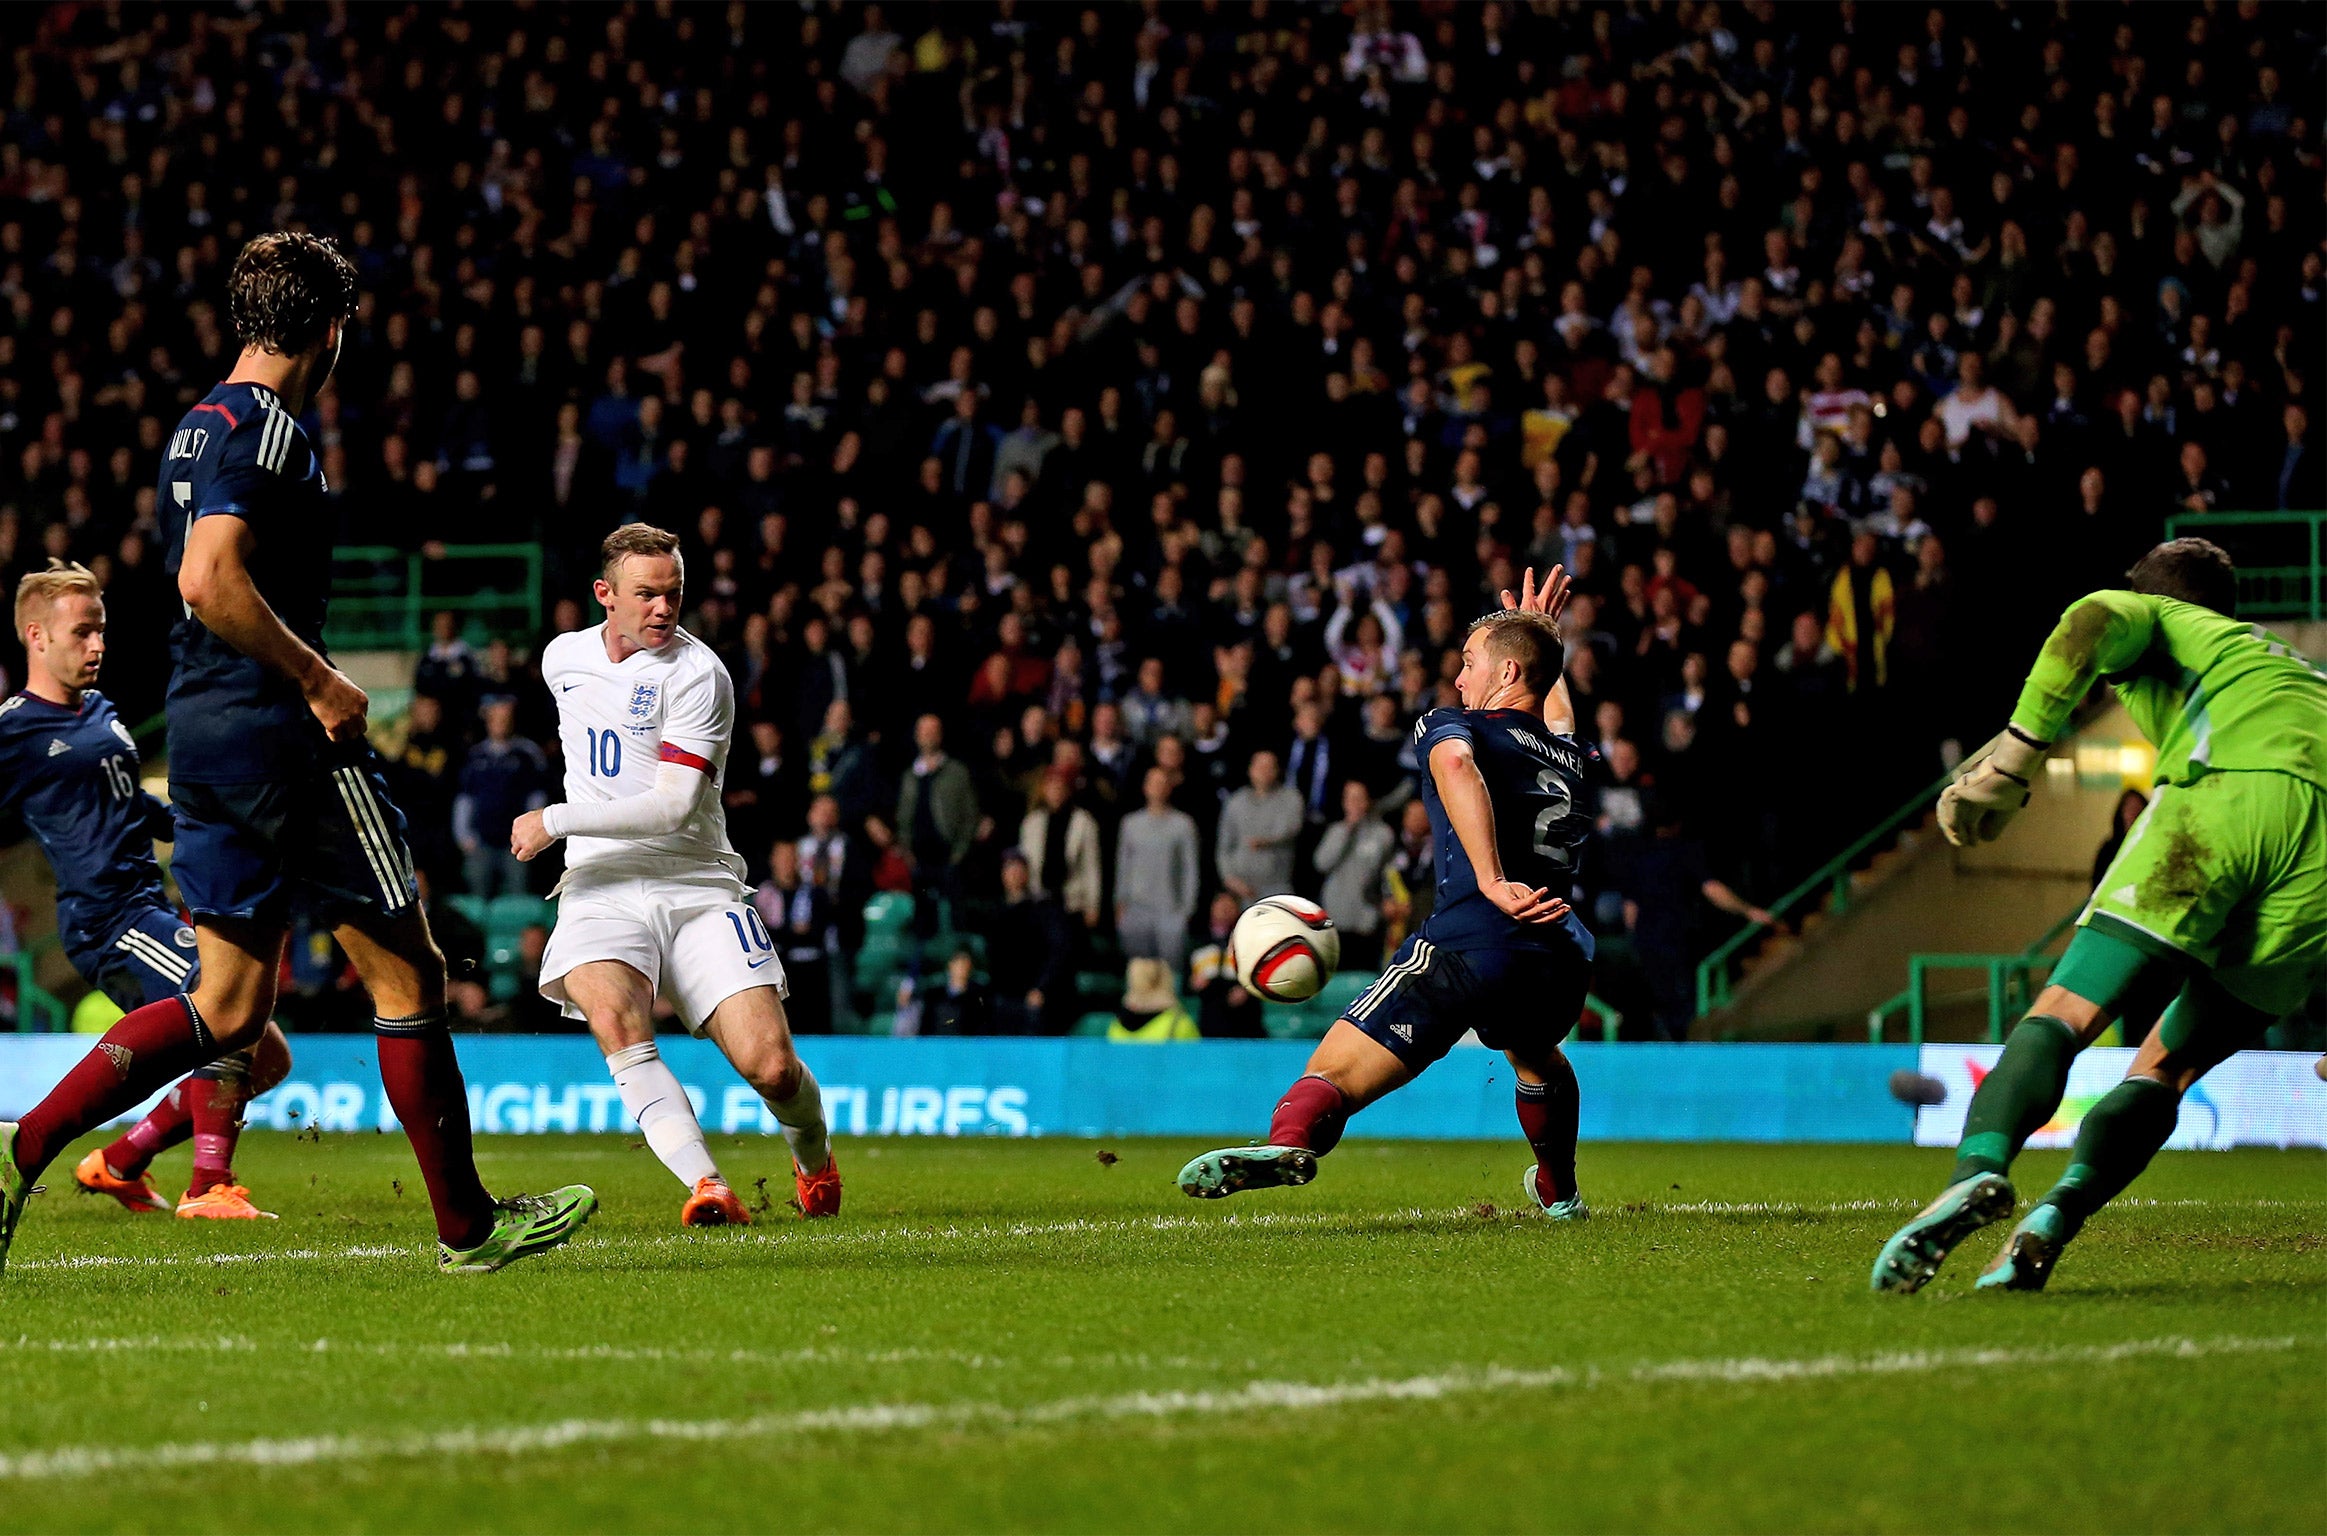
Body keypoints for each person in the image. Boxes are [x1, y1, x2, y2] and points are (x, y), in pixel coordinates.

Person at [2, 232, 595, 1279]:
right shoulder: (266, 428)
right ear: (328, 330)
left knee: (228, 1008)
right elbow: (206, 576)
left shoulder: (196, 425)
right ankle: (467, 1228)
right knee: (408, 970)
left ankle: (29, 1144)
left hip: (206, 737)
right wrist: (320, 680)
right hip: (288, 736)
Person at [1873, 539, 2327, 1293]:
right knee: (2168, 1070)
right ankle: (2056, 1216)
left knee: (2062, 1012)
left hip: (2225, 802)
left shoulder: (2156, 614)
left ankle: (1976, 1170)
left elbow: (2088, 619)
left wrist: (2013, 757)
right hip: (2318, 867)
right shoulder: (2290, 672)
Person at [1178, 568, 1596, 1219]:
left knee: (1333, 1074)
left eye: (1468, 663)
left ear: (1507, 674)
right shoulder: (1573, 755)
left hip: (1471, 939)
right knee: (1539, 1057)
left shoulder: (1455, 726)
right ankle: (1559, 1191)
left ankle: (1287, 1142)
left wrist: (1488, 880)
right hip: (1559, 959)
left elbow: (1456, 766)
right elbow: (1552, 701)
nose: (1459, 679)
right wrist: (1542, 634)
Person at [516, 524, 841, 1226]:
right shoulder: (562, 659)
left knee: (772, 1069)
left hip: (694, 883)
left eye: (674, 594)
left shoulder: (700, 675)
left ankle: (812, 1157)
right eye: (646, 595)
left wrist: (556, 820)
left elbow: (671, 805)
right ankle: (708, 1186)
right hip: (600, 884)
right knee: (615, 1021)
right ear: (605, 595)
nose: (663, 609)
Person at [1, 561, 293, 1219]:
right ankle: (208, 1185)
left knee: (268, 1057)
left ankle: (120, 1162)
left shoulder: (100, 711)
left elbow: (129, 804)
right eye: (82, 633)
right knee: (224, 998)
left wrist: (196, 824)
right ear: (36, 637)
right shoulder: (16, 726)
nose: (98, 646)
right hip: (106, 918)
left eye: (101, 630)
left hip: (144, 906)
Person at [453, 694, 550, 899]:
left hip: (515, 842)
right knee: (477, 894)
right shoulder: (476, 755)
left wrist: (529, 833)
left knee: (517, 896)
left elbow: (537, 797)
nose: (500, 724)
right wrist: (463, 835)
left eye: (504, 719)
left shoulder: (527, 754)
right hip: (480, 840)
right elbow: (465, 799)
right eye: (495, 719)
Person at [1115, 766, 1200, 970]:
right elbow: (1123, 866)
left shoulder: (1183, 825)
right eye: (1153, 783)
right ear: (1145, 787)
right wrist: (1120, 902)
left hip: (1171, 909)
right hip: (1136, 908)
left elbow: (1190, 869)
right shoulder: (1130, 824)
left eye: (1162, 783)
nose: (1157, 788)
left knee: (1171, 969)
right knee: (1138, 970)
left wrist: (1187, 908)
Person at [1313, 779, 1395, 970]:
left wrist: (1387, 900)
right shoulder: (1336, 831)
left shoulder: (1383, 834)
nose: (1355, 804)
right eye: (1350, 799)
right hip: (1335, 918)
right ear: (1343, 802)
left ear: (1368, 801)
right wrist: (1347, 831)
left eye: (1359, 798)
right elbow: (1322, 863)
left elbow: (1389, 875)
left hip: (1367, 918)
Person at [1215, 749, 1303, 902]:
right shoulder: (1236, 802)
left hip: (1277, 887)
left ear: (1277, 771)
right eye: (1259, 766)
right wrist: (1229, 877)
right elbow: (1224, 846)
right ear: (1250, 770)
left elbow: (1290, 829)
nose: (1264, 771)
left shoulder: (1291, 799)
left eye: (1269, 767)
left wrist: (1265, 840)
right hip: (1240, 888)